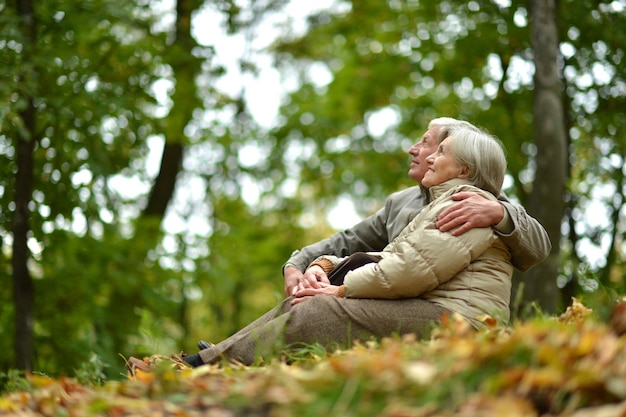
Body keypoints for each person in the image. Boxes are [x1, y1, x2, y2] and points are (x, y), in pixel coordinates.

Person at [128, 122, 525, 371]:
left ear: (465, 169)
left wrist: (340, 289)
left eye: (438, 150)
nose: (423, 153)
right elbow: (385, 254)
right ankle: (204, 361)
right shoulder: (424, 202)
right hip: (433, 308)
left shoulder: (469, 206)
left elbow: (409, 271)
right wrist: (317, 263)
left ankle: (204, 366)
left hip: (464, 324)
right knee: (306, 302)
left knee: (321, 309)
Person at [283, 117, 551, 298]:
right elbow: (347, 240)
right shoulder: (400, 202)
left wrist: (502, 213)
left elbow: (540, 246)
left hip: (436, 312)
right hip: (388, 298)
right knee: (306, 302)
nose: (414, 150)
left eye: (427, 143)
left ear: (461, 161)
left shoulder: (476, 198)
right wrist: (299, 265)